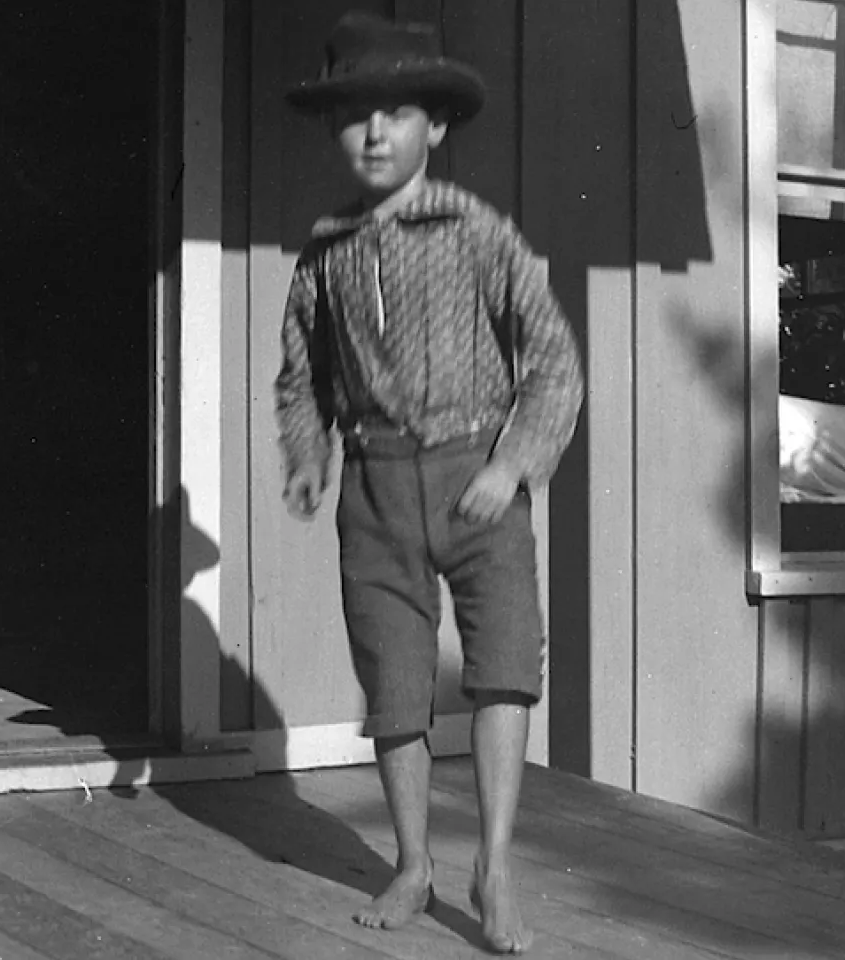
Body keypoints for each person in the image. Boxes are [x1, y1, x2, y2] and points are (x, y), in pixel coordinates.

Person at [276, 10, 585, 954]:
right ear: (338, 132)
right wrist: (308, 455)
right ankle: (413, 862)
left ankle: (494, 860)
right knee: (395, 679)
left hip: (475, 478)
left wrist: (513, 464)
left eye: (398, 113)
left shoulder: (480, 234)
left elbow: (554, 363)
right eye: (356, 116)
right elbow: (302, 376)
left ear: (435, 128)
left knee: (502, 666)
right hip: (374, 486)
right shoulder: (323, 256)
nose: (375, 133)